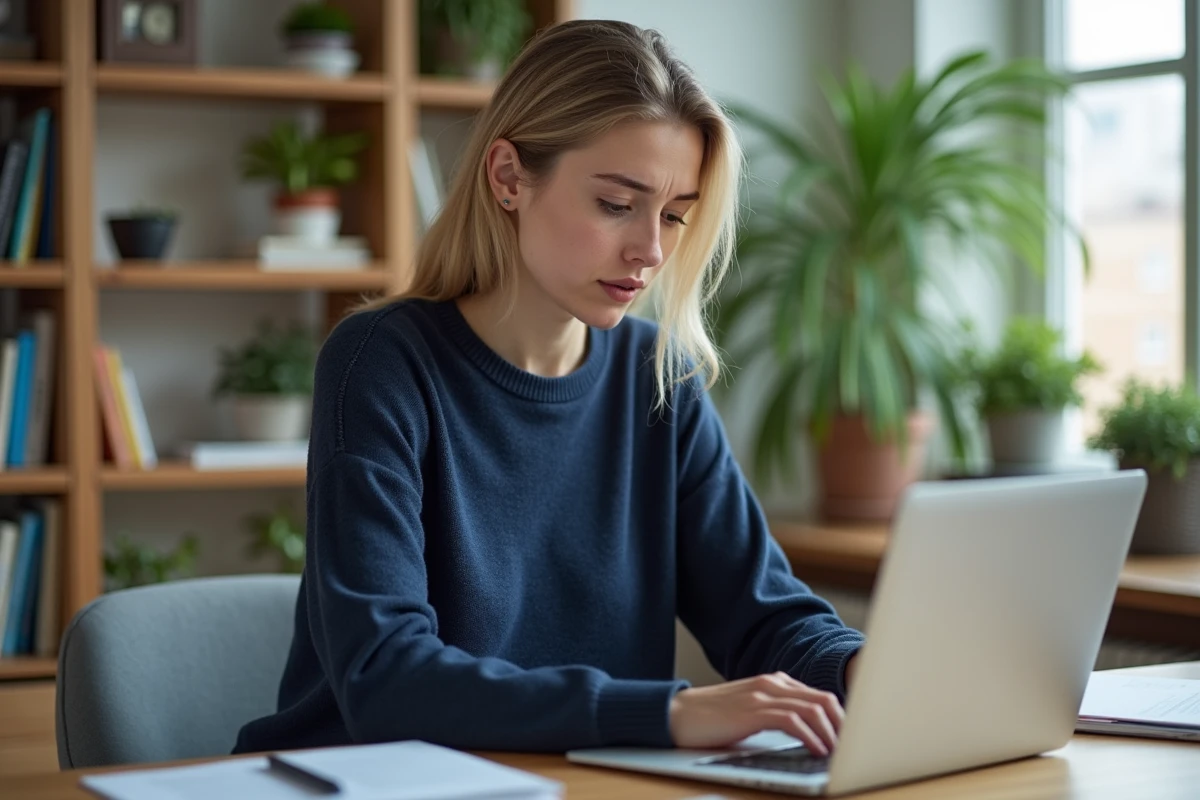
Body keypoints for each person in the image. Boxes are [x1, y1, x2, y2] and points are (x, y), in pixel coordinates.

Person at [234, 19, 864, 759]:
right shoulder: (382, 362)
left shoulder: (659, 376)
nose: (651, 251)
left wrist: (869, 671)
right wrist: (669, 714)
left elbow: (763, 616)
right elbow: (385, 677)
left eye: (673, 216)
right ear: (508, 177)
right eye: (616, 204)